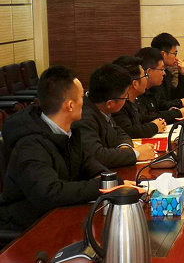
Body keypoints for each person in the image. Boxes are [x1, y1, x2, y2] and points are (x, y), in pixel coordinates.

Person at [0, 66, 124, 231]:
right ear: (70, 105)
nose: (85, 102)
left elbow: (88, 164)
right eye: (81, 97)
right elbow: (49, 194)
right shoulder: (30, 144)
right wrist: (103, 186)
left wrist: (110, 180)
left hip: (57, 217)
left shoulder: (67, 132)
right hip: (27, 228)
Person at [73, 64, 155, 168]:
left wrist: (125, 147)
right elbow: (96, 156)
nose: (127, 99)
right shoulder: (83, 117)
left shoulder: (100, 106)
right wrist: (135, 154)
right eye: (125, 96)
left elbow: (118, 132)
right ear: (110, 103)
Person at [112, 56, 166, 138]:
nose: (146, 79)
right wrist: (154, 127)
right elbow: (128, 131)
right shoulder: (119, 104)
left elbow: (142, 117)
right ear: (135, 84)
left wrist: (158, 121)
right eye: (145, 76)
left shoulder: (135, 100)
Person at [135, 47, 184, 124]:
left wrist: (172, 109)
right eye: (161, 69)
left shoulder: (153, 88)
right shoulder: (136, 93)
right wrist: (175, 113)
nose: (164, 73)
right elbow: (146, 117)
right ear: (149, 71)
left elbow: (160, 106)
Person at [150, 33, 184, 108]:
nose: (176, 58)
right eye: (174, 54)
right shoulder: (153, 75)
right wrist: (180, 102)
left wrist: (182, 74)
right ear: (163, 54)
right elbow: (160, 105)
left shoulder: (167, 73)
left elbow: (177, 97)